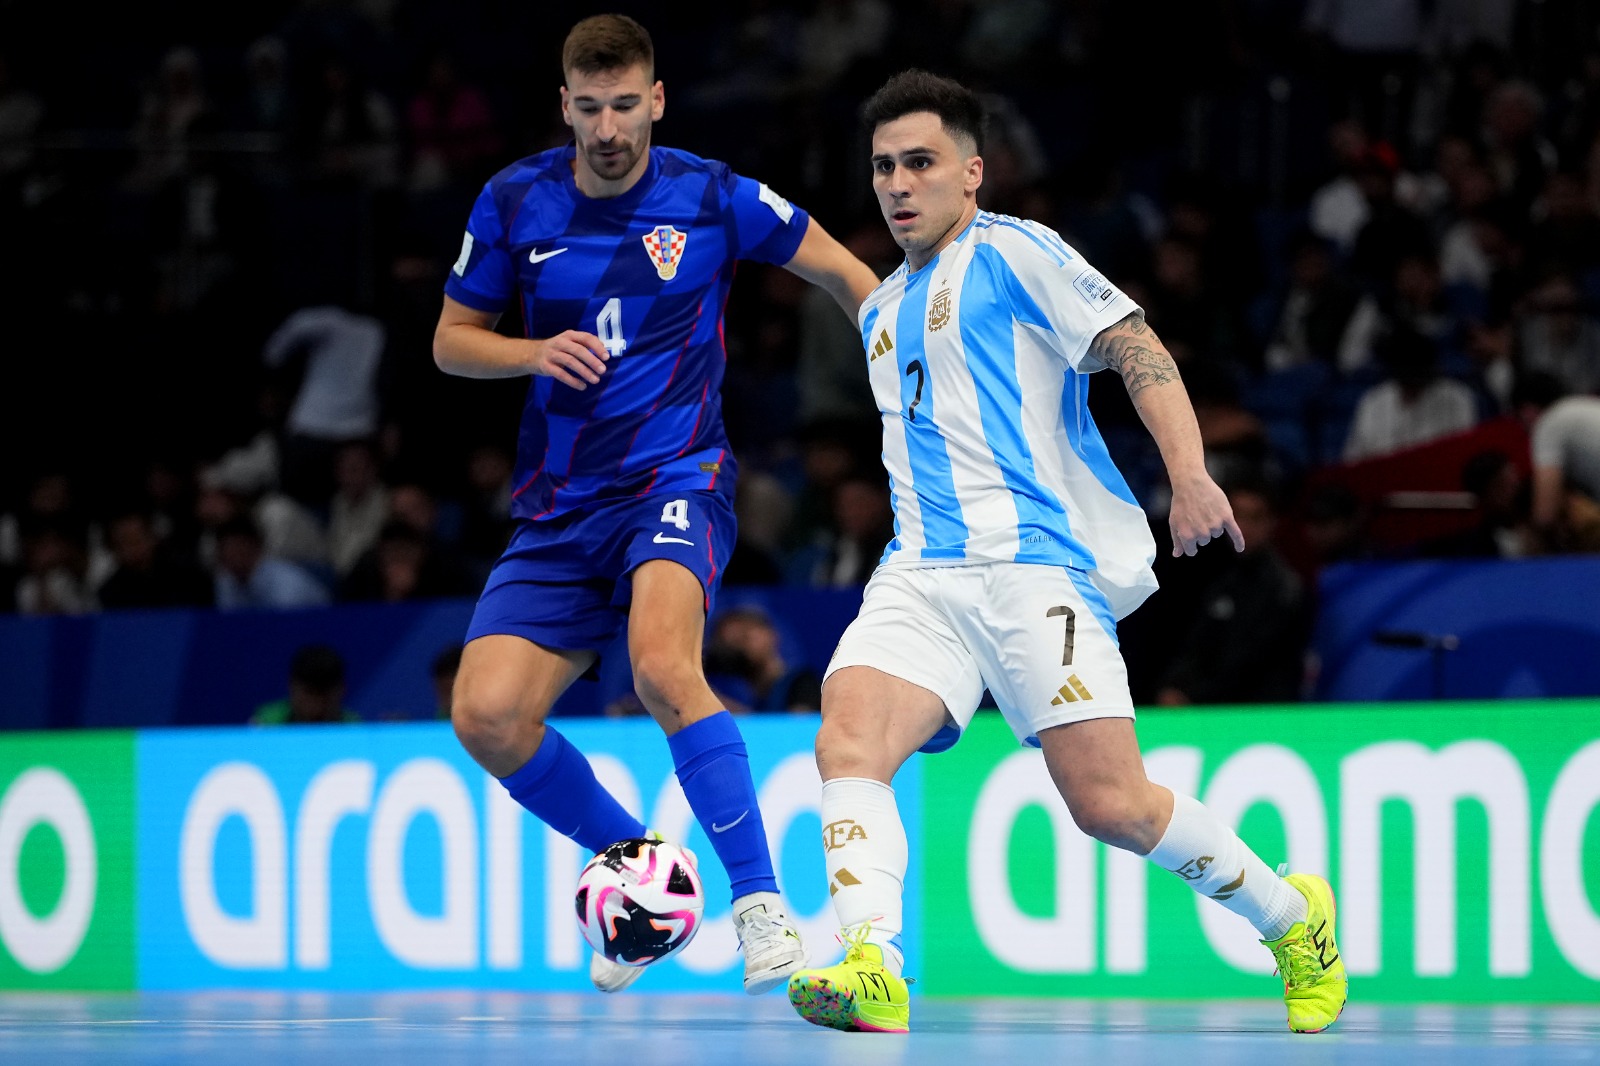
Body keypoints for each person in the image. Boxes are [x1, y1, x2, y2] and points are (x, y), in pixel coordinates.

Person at [784, 71, 1347, 1036]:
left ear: (972, 173)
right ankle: (875, 964)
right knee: (848, 740)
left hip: (1031, 570)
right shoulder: (883, 312)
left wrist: (1191, 473)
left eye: (920, 162)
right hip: (919, 575)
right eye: (883, 167)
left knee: (1113, 805)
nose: (898, 183)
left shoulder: (1015, 251)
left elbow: (1135, 346)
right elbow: (834, 273)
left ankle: (1294, 920)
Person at [433, 15, 880, 997]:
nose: (607, 125)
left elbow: (846, 276)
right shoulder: (514, 199)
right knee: (486, 717)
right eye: (588, 107)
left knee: (661, 665)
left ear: (656, 100)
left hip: (675, 480)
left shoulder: (711, 195)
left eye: (624, 105)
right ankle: (643, 875)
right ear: (564, 105)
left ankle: (761, 906)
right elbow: (450, 340)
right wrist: (528, 351)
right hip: (557, 509)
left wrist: (902, 361)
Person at [251, 643, 360, 724]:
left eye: (324, 694)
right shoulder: (267, 722)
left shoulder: (353, 727)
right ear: (292, 687)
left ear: (342, 690)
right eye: (310, 692)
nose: (317, 704)